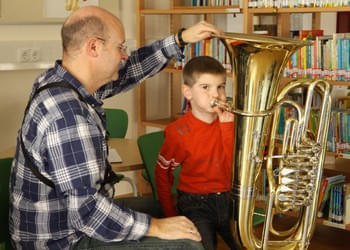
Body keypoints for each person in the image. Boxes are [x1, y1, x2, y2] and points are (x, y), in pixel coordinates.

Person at [9, 6, 223, 250]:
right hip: (65, 242)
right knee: (187, 244)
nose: (124, 55)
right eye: (120, 47)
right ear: (93, 47)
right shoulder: (68, 114)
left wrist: (180, 39)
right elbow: (88, 213)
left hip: (72, 224)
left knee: (182, 211)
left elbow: (130, 71)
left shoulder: (62, 81)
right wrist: (156, 227)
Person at [155, 56, 237, 250]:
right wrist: (170, 215)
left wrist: (228, 129)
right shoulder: (177, 132)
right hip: (195, 203)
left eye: (221, 86)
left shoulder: (229, 125)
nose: (216, 95)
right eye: (205, 87)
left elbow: (232, 167)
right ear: (187, 92)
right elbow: (162, 173)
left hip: (228, 198)